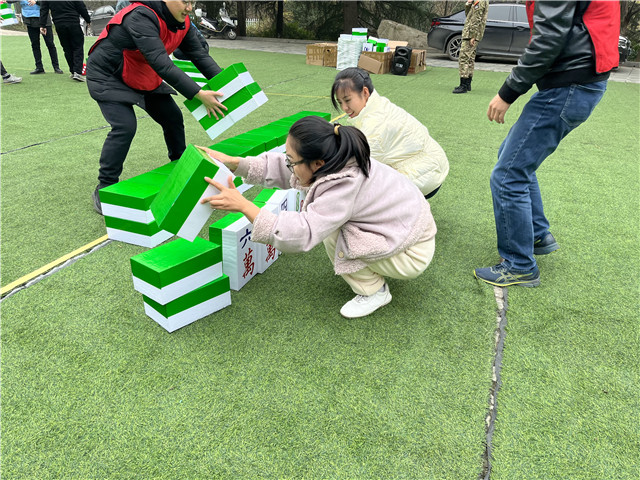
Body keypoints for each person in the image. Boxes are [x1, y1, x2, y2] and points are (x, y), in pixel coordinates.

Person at [198, 116, 438, 319]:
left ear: (318, 163)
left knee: (333, 234)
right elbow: (286, 167)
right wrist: (235, 163)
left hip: (412, 251)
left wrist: (243, 205)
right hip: (407, 226)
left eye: (292, 160)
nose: (288, 164)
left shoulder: (343, 186)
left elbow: (303, 234)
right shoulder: (338, 158)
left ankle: (375, 291)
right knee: (331, 225)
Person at [474, 0, 620, 287]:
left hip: (570, 85)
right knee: (514, 158)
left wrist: (508, 92)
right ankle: (538, 233)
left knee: (507, 174)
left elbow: (549, 38)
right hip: (580, 81)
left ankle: (519, 264)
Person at [86, 0, 227, 215]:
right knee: (125, 126)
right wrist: (198, 94)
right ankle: (105, 186)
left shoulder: (183, 22)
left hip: (141, 73)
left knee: (172, 116)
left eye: (193, 2)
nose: (189, 8)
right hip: (109, 75)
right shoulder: (141, 15)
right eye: (184, 1)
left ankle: (180, 168)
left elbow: (199, 55)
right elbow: (161, 63)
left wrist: (227, 87)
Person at [331, 67, 449, 199]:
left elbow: (359, 167)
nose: (344, 108)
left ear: (365, 92)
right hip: (432, 164)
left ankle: (402, 210)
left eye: (347, 100)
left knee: (361, 187)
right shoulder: (378, 104)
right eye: (340, 102)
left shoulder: (375, 126)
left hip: (425, 176)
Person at [39, 1, 90, 82]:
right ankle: (77, 71)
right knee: (78, 47)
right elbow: (81, 6)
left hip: (59, 23)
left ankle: (73, 71)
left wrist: (42, 25)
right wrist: (88, 19)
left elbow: (43, 9)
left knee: (67, 48)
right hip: (73, 21)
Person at [7, 0, 62, 74]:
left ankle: (56, 67)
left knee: (50, 44)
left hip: (43, 19)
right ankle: (39, 67)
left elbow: (48, 3)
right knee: (35, 44)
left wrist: (36, 2)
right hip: (29, 20)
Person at [452, 0, 488, 94]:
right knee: (470, 58)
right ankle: (467, 84)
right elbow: (469, 15)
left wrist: (473, 35)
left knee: (463, 58)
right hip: (472, 34)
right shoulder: (476, 2)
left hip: (471, 35)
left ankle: (463, 85)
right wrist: (468, 3)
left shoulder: (480, 2)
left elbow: (476, 19)